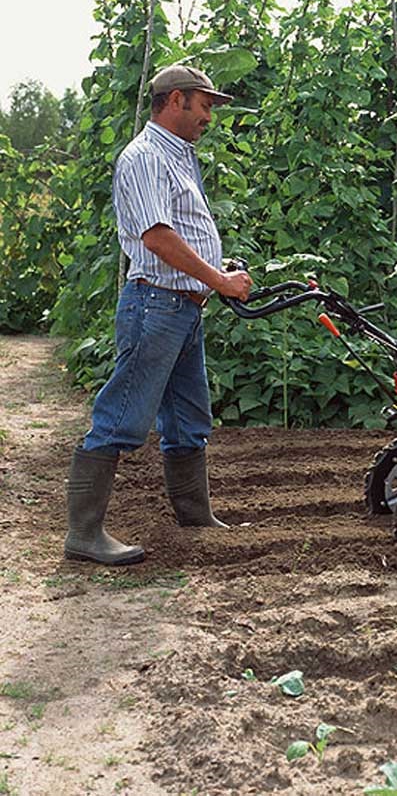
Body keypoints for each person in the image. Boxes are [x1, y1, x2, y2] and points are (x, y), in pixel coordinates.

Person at [63, 64, 253, 566]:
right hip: (156, 306)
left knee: (189, 420)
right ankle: (84, 536)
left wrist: (216, 270)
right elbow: (156, 236)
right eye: (205, 104)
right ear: (176, 101)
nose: (210, 116)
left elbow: (182, 232)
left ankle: (194, 516)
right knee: (123, 417)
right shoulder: (145, 156)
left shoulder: (179, 156)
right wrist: (218, 280)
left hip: (182, 308)